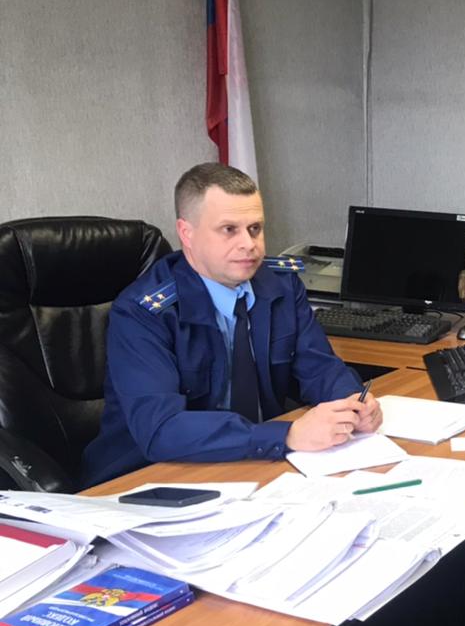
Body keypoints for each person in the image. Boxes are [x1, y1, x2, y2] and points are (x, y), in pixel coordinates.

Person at [82, 163, 382, 486]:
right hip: (150, 478)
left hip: (254, 465)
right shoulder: (143, 313)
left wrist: (352, 403)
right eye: (229, 230)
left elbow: (318, 366)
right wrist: (287, 435)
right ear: (187, 233)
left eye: (255, 228)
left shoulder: (281, 285)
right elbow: (161, 429)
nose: (248, 244)